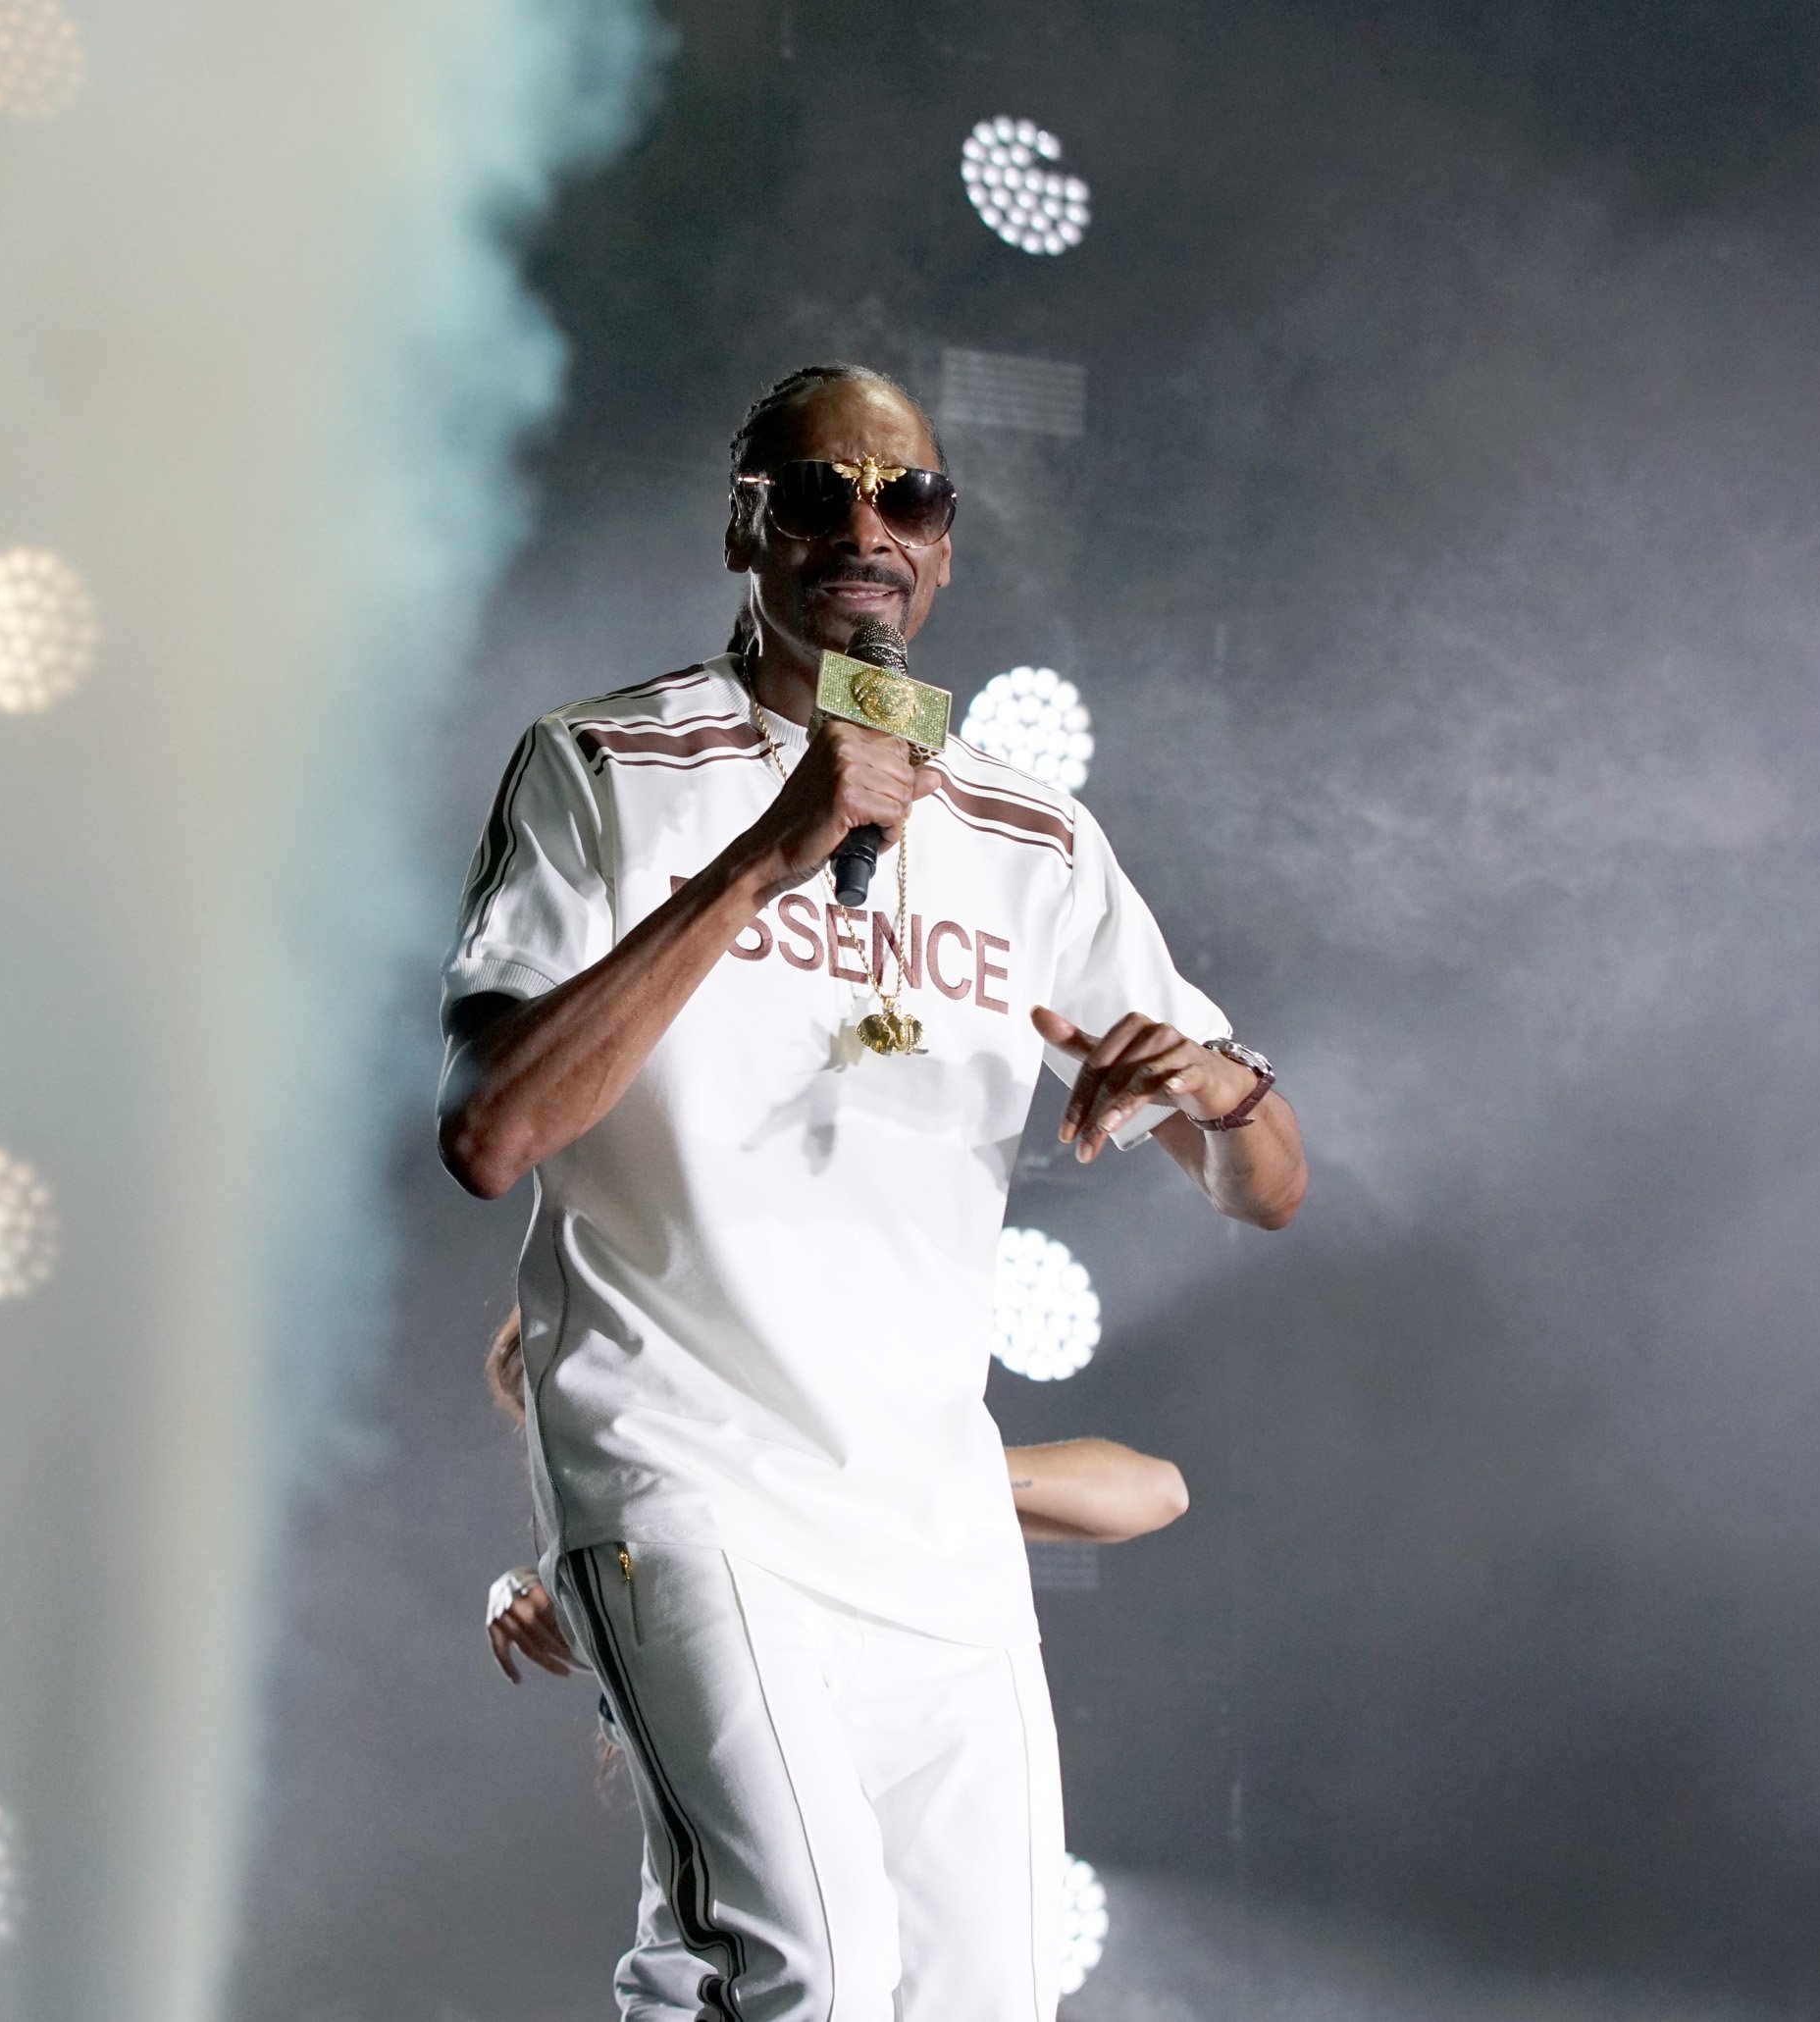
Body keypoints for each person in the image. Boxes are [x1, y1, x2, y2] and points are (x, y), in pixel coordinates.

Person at [437, 361, 1305, 2022]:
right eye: (813, 490)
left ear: (949, 546)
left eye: (905, 495)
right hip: (683, 1473)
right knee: (814, 1975)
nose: (864, 525)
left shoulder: (1031, 839)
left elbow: (1264, 1188)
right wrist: (774, 848)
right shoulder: (606, 766)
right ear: (742, 528)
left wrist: (1215, 1082)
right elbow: (489, 1134)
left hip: (929, 1519)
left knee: (982, 2000)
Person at [476, 1311, 1189, 2021]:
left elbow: (1160, 1491)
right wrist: (520, 1585)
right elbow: (614, 1569)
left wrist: (895, 1476)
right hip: (715, 1989)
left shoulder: (909, 1495)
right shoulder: (662, 1545)